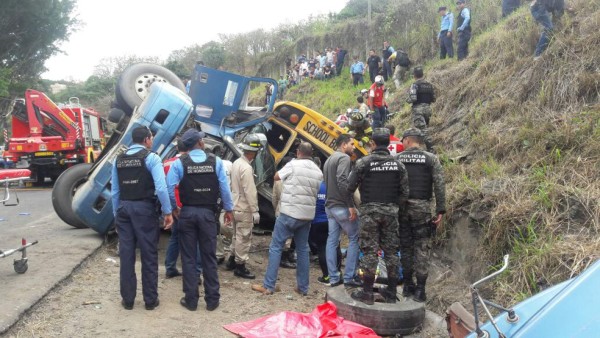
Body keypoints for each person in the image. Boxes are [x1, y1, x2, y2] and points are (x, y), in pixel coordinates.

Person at [166, 129, 234, 311]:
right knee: (209, 257)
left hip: (187, 214)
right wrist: (229, 209)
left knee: (188, 258)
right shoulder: (216, 162)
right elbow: (225, 189)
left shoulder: (179, 163)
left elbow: (169, 186)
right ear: (200, 144)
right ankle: (212, 301)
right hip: (207, 215)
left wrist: (173, 207)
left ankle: (191, 300)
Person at [111, 126, 173, 311]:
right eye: (151, 137)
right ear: (146, 139)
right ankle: (150, 300)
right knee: (148, 254)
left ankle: (128, 300)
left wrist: (116, 215)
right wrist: (167, 212)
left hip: (124, 209)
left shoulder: (118, 160)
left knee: (127, 255)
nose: (152, 140)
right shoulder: (152, 158)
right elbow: (161, 189)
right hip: (144, 210)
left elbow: (115, 191)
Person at [347, 128, 409, 304]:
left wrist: (353, 207)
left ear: (372, 144)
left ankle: (367, 293)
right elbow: (405, 192)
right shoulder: (399, 165)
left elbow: (349, 188)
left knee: (369, 251)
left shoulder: (363, 163)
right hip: (391, 213)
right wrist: (395, 208)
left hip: (369, 214)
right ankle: (390, 292)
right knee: (391, 252)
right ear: (388, 144)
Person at [252, 143, 323, 295]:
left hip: (289, 213)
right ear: (311, 154)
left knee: (276, 246)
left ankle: (269, 286)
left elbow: (276, 177)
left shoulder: (293, 164)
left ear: (298, 152)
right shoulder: (318, 171)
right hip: (306, 216)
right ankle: (303, 288)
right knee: (303, 249)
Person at [395, 128, 446, 303]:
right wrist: (440, 210)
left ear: (408, 140)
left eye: (403, 140)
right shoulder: (431, 159)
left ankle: (408, 285)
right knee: (422, 248)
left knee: (406, 247)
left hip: (402, 210)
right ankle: (421, 290)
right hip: (423, 209)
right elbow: (439, 185)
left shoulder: (398, 159)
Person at [323, 134, 361, 288]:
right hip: (341, 206)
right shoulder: (344, 158)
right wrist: (350, 204)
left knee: (332, 241)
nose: (354, 147)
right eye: (352, 144)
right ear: (344, 145)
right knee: (354, 238)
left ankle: (333, 277)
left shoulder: (329, 159)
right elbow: (342, 180)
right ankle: (349, 277)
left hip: (329, 206)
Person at [163, 140, 203, 282]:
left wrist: (170, 209)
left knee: (176, 237)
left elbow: (165, 187)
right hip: (188, 206)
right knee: (196, 240)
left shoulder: (166, 163)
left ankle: (170, 268)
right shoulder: (194, 163)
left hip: (174, 208)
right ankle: (196, 273)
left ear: (177, 148)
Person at [226, 134, 263, 279]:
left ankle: (231, 260)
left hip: (234, 205)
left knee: (236, 235)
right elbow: (250, 191)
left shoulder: (236, 163)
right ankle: (240, 266)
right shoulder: (246, 168)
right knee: (244, 237)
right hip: (244, 208)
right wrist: (255, 210)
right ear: (254, 152)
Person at [272, 156, 297, 269]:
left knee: (279, 236)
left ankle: (281, 256)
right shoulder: (293, 178)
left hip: (279, 209)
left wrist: (276, 208)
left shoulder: (278, 178)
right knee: (288, 237)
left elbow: (274, 197)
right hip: (290, 210)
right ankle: (284, 258)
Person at [407, 66, 436, 152]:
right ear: (422, 74)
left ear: (414, 75)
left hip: (418, 110)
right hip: (428, 109)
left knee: (423, 132)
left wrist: (407, 100)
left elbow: (413, 98)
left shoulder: (415, 85)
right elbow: (433, 99)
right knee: (423, 129)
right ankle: (422, 149)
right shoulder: (429, 85)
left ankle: (431, 149)